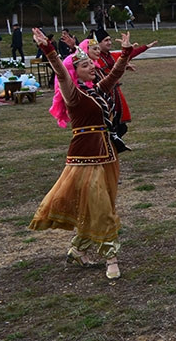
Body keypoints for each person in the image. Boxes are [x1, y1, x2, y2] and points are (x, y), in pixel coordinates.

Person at [29, 27, 136, 279]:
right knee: (101, 208)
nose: (91, 67)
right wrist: (48, 49)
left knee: (100, 204)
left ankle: (78, 249)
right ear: (75, 71)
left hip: (107, 155)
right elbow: (60, 72)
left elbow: (115, 74)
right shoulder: (73, 95)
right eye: (85, 65)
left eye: (91, 64)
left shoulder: (95, 90)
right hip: (85, 158)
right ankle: (111, 257)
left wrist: (126, 53)